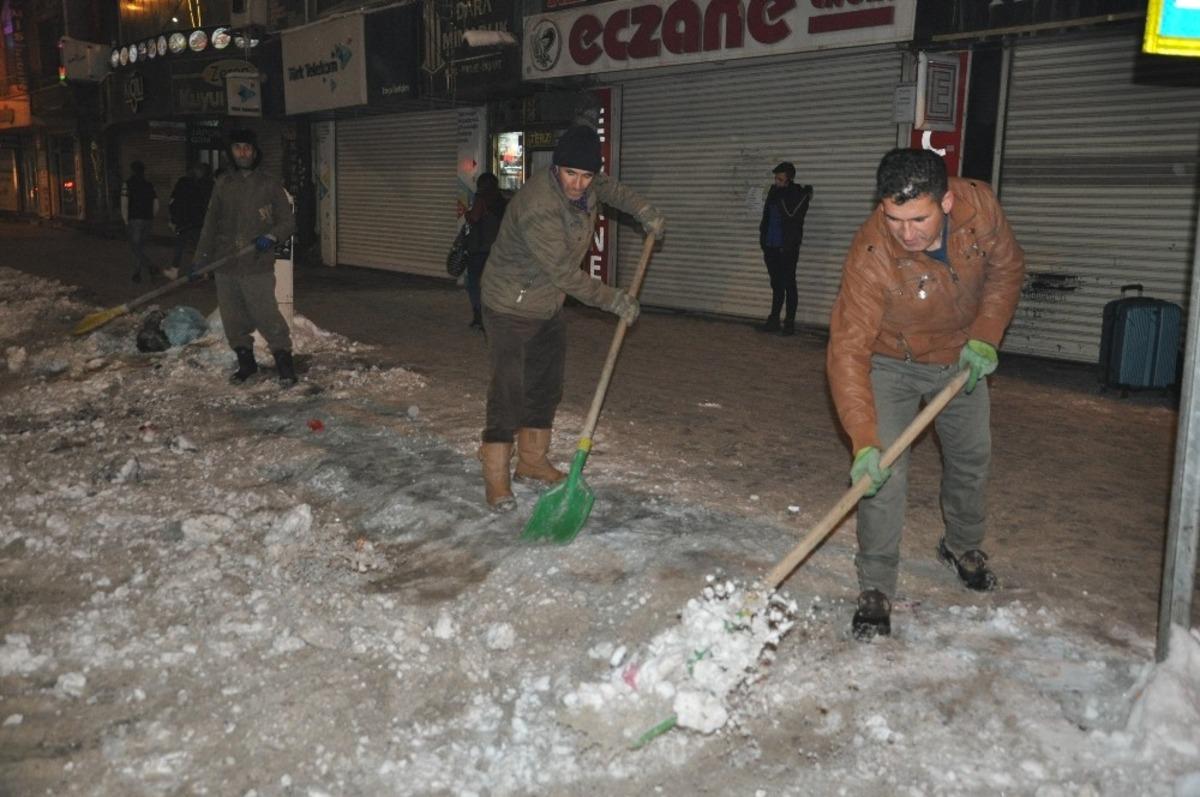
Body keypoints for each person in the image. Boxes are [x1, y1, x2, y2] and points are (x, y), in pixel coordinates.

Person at [826, 148, 1025, 641]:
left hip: (962, 358)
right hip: (893, 361)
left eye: (918, 218)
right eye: (894, 219)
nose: (906, 233)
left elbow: (1007, 270)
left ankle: (961, 545)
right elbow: (848, 348)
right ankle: (875, 584)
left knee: (970, 456)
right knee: (883, 475)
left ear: (948, 201)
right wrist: (864, 438)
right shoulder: (872, 253)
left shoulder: (981, 211)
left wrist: (987, 332)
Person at [478, 124, 665, 511]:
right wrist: (614, 299)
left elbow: (609, 189)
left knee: (546, 386)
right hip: (508, 306)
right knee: (509, 392)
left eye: (585, 176)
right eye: (571, 174)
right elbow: (564, 273)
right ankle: (495, 476)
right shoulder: (538, 207)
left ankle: (531, 462)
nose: (579, 185)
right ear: (556, 168)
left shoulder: (587, 183)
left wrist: (642, 210)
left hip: (546, 305)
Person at [193, 129, 297, 386]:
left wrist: (271, 237)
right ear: (231, 152)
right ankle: (246, 364)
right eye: (238, 147)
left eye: (247, 148)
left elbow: (288, 222)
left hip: (256, 264)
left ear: (255, 151)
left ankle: (284, 363)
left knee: (266, 314)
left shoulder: (269, 184)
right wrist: (200, 261)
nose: (243, 152)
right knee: (233, 318)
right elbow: (210, 225)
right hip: (226, 264)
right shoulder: (223, 184)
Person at [757, 162, 812, 336]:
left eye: (780, 179)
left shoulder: (798, 194)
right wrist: (763, 241)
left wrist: (781, 196)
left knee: (789, 284)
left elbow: (791, 215)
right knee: (776, 284)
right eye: (776, 178)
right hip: (771, 245)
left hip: (787, 247)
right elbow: (766, 218)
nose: (777, 182)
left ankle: (789, 323)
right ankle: (773, 320)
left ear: (789, 179)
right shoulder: (774, 192)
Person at [463, 172, 506, 331]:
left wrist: (467, 214)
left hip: (479, 248)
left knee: (474, 283)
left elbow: (474, 218)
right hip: (497, 249)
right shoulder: (502, 201)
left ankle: (479, 316)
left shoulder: (481, 199)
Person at [166, 162, 214, 278]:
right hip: (198, 220)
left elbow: (173, 201)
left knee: (181, 245)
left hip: (185, 221)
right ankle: (205, 270)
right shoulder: (209, 184)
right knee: (200, 247)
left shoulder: (183, 183)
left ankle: (175, 270)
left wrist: (173, 218)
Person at [121, 160, 159, 283]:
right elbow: (156, 203)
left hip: (134, 219)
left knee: (136, 248)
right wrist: (152, 215)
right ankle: (138, 273)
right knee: (141, 247)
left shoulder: (127, 184)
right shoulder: (149, 185)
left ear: (132, 170)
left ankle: (147, 267)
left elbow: (124, 203)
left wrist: (125, 220)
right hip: (148, 219)